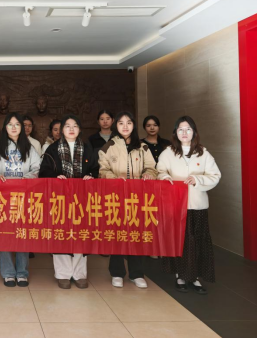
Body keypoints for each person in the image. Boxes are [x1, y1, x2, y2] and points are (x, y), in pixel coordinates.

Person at [157, 116, 221, 295]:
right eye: (180, 129)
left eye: (188, 129)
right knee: (180, 242)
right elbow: (159, 171)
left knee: (197, 242)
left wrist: (198, 179)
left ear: (194, 132)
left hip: (197, 206)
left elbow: (215, 175)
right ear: (175, 133)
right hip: (176, 206)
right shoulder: (168, 153)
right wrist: (165, 177)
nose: (184, 133)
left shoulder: (203, 153)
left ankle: (195, 277)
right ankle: (180, 276)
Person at [98, 111, 158, 289]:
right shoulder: (108, 146)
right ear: (116, 125)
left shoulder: (143, 147)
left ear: (133, 125)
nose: (125, 126)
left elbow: (151, 167)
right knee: (117, 235)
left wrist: (148, 174)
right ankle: (117, 273)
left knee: (136, 235)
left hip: (138, 198)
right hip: (116, 198)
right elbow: (102, 170)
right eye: (121, 123)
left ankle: (137, 273)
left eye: (129, 123)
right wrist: (114, 178)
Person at [40, 114, 99, 289]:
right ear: (62, 130)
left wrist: (91, 176)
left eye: (75, 126)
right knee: (61, 234)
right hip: (59, 198)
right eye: (67, 126)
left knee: (81, 235)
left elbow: (96, 169)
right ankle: (63, 274)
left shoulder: (87, 148)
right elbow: (43, 172)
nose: (71, 129)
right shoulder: (52, 149)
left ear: (79, 129)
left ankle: (79, 274)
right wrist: (55, 177)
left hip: (82, 199)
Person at [0, 113, 40, 287]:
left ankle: (22, 272)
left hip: (23, 196)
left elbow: (36, 168)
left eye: (17, 124)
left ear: (21, 127)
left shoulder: (29, 147)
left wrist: (27, 178)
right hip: (3, 197)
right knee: (4, 234)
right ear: (5, 127)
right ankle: (8, 273)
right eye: (10, 124)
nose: (13, 127)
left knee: (22, 233)